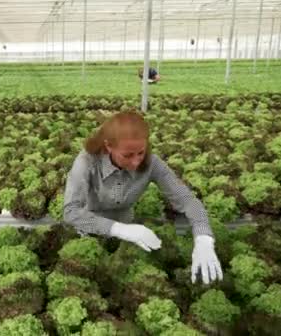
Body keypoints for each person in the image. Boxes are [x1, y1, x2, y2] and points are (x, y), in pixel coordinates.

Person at [63, 111, 222, 285]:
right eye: (127, 155)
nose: (136, 162)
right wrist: (119, 229)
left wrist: (204, 239)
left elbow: (187, 200)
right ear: (108, 146)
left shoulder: (152, 163)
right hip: (89, 230)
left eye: (140, 152)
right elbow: (71, 212)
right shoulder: (87, 162)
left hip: (131, 234)